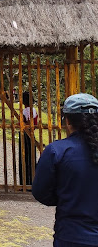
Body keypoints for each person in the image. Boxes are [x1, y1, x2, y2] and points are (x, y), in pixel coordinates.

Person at [32, 93, 98, 246]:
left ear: (67, 121)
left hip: (71, 236)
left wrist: (65, 196)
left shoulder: (57, 151)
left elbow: (40, 192)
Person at [20, 91, 37, 186]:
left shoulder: (24, 111)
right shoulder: (34, 110)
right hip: (32, 134)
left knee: (24, 158)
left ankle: (25, 182)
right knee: (32, 157)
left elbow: (24, 123)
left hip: (25, 134)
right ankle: (32, 181)